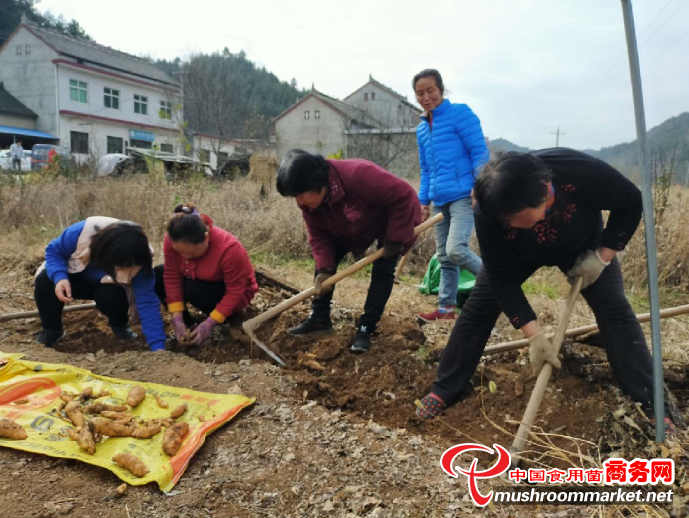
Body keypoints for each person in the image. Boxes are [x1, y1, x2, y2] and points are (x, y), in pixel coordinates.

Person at [415, 148, 677, 436]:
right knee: (479, 308)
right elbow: (501, 278)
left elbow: (630, 202)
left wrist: (602, 257)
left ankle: (650, 402)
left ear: (543, 192)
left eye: (520, 219)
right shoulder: (488, 208)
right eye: (508, 223)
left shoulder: (577, 170)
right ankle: (444, 388)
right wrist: (535, 336)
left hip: (583, 245)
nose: (513, 226)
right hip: (516, 255)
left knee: (614, 309)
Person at [277, 150, 421, 353]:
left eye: (300, 195)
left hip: (392, 219)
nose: (299, 202)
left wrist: (395, 238)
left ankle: (366, 328)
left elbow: (403, 195)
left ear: (316, 183)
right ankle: (319, 319)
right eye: (294, 197)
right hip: (351, 224)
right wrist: (325, 268)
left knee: (383, 269)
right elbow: (319, 237)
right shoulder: (310, 205)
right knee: (324, 265)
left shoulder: (359, 175)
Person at [413, 69, 489, 322]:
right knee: (445, 258)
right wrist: (424, 201)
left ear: (441, 90)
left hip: (464, 196)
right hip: (439, 200)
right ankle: (446, 309)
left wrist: (479, 183)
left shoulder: (460, 114)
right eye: (420, 93)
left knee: (456, 250)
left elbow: (479, 151)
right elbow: (426, 168)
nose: (426, 97)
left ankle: (498, 285)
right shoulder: (422, 130)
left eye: (430, 91)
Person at [34, 217, 166, 351]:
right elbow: (54, 251)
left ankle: (120, 327)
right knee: (45, 280)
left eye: (130, 269)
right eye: (121, 268)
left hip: (106, 285)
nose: (127, 273)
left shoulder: (141, 256)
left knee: (112, 295)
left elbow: (147, 302)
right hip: (73, 275)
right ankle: (52, 330)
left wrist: (158, 347)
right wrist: (60, 277)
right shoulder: (80, 232)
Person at [154, 203, 258, 346]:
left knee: (193, 289)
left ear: (206, 238)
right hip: (197, 281)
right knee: (158, 274)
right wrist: (177, 318)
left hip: (234, 292)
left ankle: (223, 323)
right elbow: (172, 276)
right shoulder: (172, 241)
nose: (185, 257)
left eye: (191, 252)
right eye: (180, 253)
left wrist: (209, 323)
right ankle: (188, 325)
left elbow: (235, 292)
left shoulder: (230, 249)